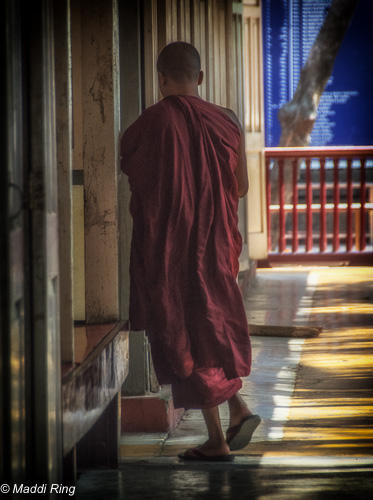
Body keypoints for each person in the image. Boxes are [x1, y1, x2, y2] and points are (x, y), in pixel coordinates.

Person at [120, 41, 260, 461]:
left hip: (172, 251)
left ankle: (223, 432)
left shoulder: (149, 124)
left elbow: (135, 179)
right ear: (200, 78)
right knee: (213, 328)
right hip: (216, 247)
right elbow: (241, 188)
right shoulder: (228, 121)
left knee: (184, 337)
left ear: (160, 78)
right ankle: (232, 415)